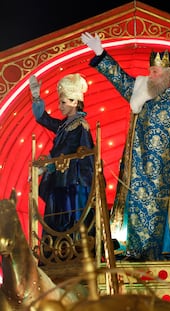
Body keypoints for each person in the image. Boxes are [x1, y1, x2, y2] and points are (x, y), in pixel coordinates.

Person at [81, 32, 170, 261]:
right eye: (150, 71)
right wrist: (100, 53)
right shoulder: (142, 90)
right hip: (140, 164)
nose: (150, 75)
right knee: (139, 209)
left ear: (168, 74)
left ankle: (166, 248)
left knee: (167, 210)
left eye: (155, 72)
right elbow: (120, 79)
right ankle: (139, 251)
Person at [29, 74, 95, 234]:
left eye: (63, 102)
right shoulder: (65, 125)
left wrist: (45, 166)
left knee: (69, 221)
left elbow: (66, 148)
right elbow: (45, 120)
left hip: (74, 184)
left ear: (75, 102)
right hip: (63, 181)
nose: (59, 106)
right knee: (57, 218)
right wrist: (37, 98)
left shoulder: (80, 125)